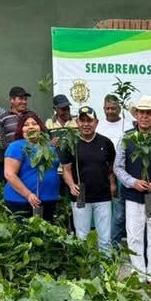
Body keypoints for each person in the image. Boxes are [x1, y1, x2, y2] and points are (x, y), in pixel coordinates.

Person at [113, 95, 151, 288]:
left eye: (149, 113)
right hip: (133, 195)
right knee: (133, 235)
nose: (145, 117)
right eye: (141, 112)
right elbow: (118, 167)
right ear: (136, 115)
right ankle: (138, 274)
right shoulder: (127, 137)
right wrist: (132, 182)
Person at [60, 106, 116, 252]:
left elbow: (111, 167)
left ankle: (106, 272)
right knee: (82, 237)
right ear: (77, 122)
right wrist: (72, 185)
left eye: (89, 121)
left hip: (103, 197)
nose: (86, 124)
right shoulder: (70, 143)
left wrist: (112, 183)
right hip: (80, 197)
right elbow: (66, 170)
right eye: (82, 120)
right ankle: (84, 271)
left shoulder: (106, 143)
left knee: (105, 238)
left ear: (96, 122)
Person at [2, 111, 60, 220]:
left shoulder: (48, 146)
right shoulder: (16, 146)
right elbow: (9, 174)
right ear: (21, 129)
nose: (31, 127)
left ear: (40, 127)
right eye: (26, 125)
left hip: (49, 199)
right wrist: (28, 195)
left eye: (34, 123)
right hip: (22, 201)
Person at [101, 94, 130, 245]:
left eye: (113, 108)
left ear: (119, 108)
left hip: (122, 173)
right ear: (103, 109)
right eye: (107, 108)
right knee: (103, 212)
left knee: (119, 213)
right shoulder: (99, 126)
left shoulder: (128, 125)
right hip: (101, 174)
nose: (110, 111)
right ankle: (104, 243)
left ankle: (115, 244)